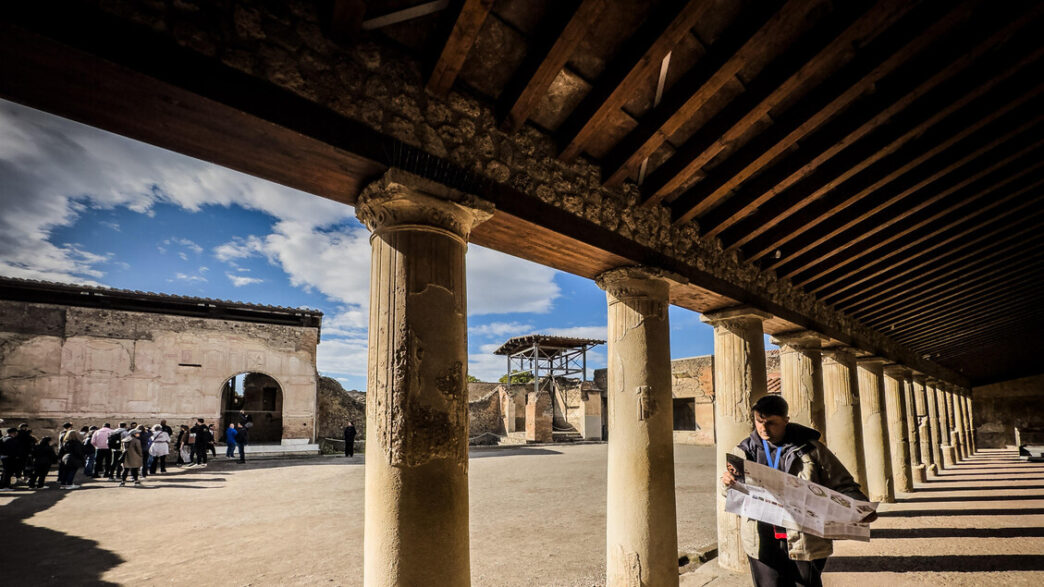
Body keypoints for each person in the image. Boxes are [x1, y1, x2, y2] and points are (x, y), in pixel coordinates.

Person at [722, 395, 875, 587]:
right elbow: (729, 493)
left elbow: (843, 484)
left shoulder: (812, 449)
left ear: (786, 421)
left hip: (804, 537)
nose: (763, 428)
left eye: (771, 423)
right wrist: (727, 483)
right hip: (761, 538)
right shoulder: (743, 451)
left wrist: (860, 506)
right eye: (759, 422)